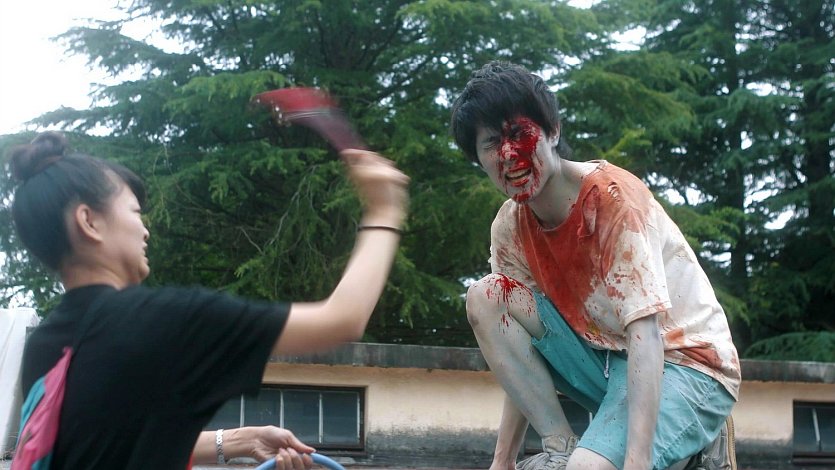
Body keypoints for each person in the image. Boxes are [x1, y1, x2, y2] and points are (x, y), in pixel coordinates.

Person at [9, 130, 408, 469]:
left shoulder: (43, 346)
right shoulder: (162, 319)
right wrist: (385, 210)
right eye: (135, 212)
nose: (145, 230)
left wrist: (239, 440)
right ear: (89, 221)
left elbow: (110, 435)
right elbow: (343, 318)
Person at [450, 61, 740, 470]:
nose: (508, 154)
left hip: (685, 365)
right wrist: (503, 460)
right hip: (605, 361)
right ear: (478, 158)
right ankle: (561, 445)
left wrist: (636, 462)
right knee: (488, 296)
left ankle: (691, 445)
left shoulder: (613, 201)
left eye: (518, 133)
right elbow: (518, 354)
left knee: (589, 468)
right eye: (492, 142)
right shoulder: (510, 226)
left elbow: (645, 334)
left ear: (552, 131)